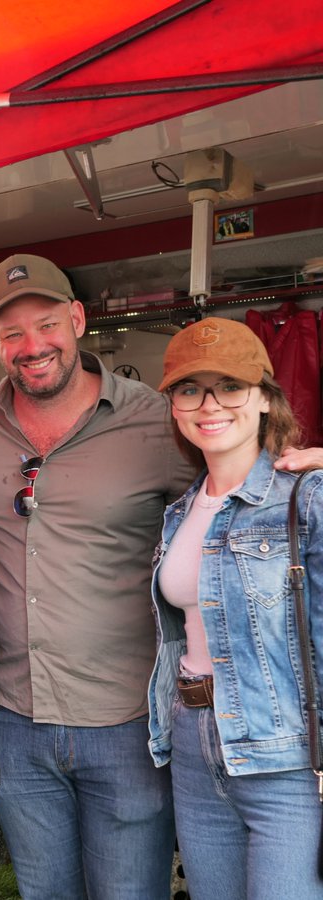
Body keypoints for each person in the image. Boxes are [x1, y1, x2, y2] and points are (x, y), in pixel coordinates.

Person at [0, 254, 195, 898]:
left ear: (77, 321)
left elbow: (235, 496)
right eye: (12, 333)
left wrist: (299, 466)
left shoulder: (155, 421)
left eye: (47, 324)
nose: (33, 347)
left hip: (127, 722)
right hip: (14, 722)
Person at [149, 317, 323, 899]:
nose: (209, 404)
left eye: (230, 385)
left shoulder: (307, 496)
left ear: (266, 399)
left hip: (284, 757)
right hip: (193, 744)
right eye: (189, 388)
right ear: (174, 404)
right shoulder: (179, 512)